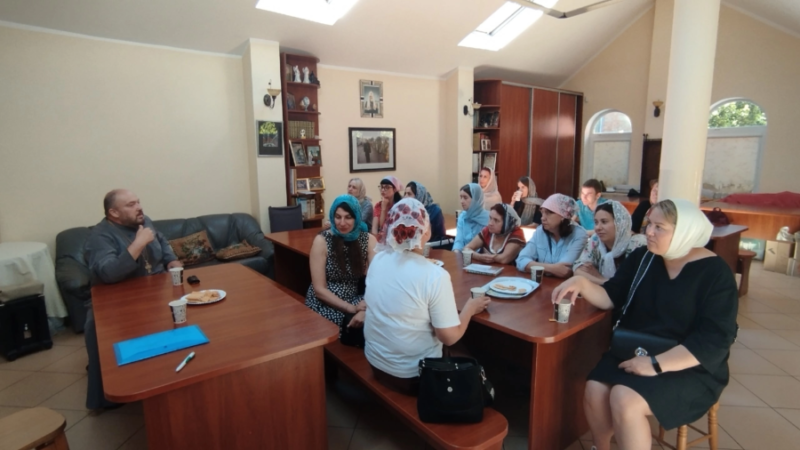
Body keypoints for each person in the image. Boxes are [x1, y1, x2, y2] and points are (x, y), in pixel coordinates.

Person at [552, 199, 738, 450]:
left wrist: (655, 364)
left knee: (624, 398)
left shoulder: (715, 273)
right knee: (595, 389)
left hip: (688, 364)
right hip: (637, 350)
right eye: (649, 224)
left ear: (685, 232)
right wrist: (582, 284)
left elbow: (714, 341)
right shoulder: (644, 257)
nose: (649, 231)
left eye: (659, 227)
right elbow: (611, 296)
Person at [364, 198, 491, 394]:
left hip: (375, 362)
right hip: (413, 375)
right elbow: (449, 337)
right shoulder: (434, 275)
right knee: (467, 351)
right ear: (426, 231)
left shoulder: (379, 260)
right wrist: (470, 308)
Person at [84, 189, 183, 412]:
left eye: (138, 202)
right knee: (96, 327)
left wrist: (172, 261)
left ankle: (172, 370)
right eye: (131, 204)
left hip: (155, 290)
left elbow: (162, 242)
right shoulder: (99, 236)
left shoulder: (144, 220)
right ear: (113, 213)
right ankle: (110, 391)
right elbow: (108, 273)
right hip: (117, 298)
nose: (139, 207)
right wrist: (138, 244)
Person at [306, 195, 377, 333]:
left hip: (355, 299)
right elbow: (319, 290)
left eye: (348, 217)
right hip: (325, 302)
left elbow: (378, 281)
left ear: (357, 217)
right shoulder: (322, 241)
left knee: (379, 319)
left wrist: (365, 308)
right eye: (338, 217)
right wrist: (350, 308)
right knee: (352, 327)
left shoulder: (368, 240)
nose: (342, 223)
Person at [573, 201, 647, 285]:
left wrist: (600, 278)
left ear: (619, 223)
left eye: (604, 222)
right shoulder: (596, 240)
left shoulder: (638, 243)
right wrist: (605, 282)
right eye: (596, 222)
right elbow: (578, 271)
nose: (598, 228)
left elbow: (635, 284)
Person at [516, 194, 588, 278]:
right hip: (543, 282)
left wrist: (534, 265)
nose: (542, 218)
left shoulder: (579, 234)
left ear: (563, 215)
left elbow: (564, 271)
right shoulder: (540, 231)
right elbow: (521, 260)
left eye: (548, 213)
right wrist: (552, 269)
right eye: (542, 213)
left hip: (567, 284)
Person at [452, 184, 490, 252]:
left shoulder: (488, 218)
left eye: (465, 198)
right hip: (464, 254)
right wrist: (456, 253)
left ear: (475, 199)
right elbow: (459, 241)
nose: (462, 201)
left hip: (482, 255)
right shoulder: (462, 217)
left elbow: (487, 246)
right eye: (461, 197)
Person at [372, 176, 403, 241]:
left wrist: (384, 208)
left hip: (395, 237)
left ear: (394, 189)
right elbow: (375, 228)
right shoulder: (378, 205)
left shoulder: (399, 206)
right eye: (382, 187)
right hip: (381, 238)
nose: (383, 190)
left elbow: (384, 226)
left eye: (387, 187)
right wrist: (375, 241)